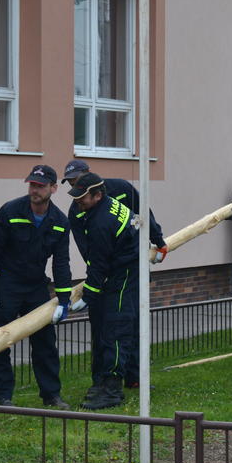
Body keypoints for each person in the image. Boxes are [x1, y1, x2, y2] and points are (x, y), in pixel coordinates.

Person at [61, 159, 167, 389]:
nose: (75, 187)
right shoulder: (77, 210)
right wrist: (95, 283)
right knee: (103, 327)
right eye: (70, 183)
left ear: (89, 176)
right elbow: (89, 251)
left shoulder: (121, 188)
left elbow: (143, 212)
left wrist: (159, 241)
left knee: (132, 322)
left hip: (130, 268)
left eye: (77, 180)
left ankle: (134, 376)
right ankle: (101, 380)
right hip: (105, 274)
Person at [0, 165, 72, 410]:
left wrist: (63, 300)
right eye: (32, 185)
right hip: (6, 284)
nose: (34, 190)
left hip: (36, 287)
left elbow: (61, 262)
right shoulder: (10, 211)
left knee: (45, 343)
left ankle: (51, 395)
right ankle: (3, 397)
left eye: (40, 186)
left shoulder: (60, 222)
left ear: (53, 188)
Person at [67, 172, 139, 409]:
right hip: (119, 271)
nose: (78, 202)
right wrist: (159, 241)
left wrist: (88, 295)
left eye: (82, 197)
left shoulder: (100, 222)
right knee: (106, 331)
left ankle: (112, 390)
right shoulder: (108, 205)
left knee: (115, 332)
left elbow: (98, 263)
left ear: (97, 195)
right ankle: (101, 383)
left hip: (120, 276)